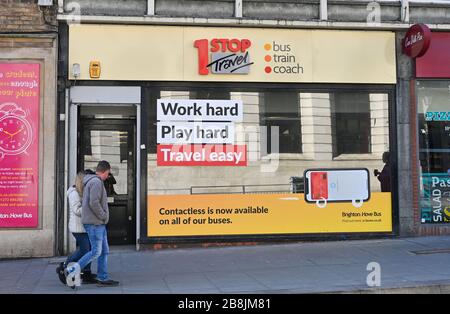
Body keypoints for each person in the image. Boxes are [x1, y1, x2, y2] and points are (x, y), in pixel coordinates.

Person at [64, 160, 120, 287]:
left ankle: (102, 277)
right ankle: (70, 270)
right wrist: (103, 216)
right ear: (106, 171)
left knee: (104, 251)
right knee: (95, 252)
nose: (108, 176)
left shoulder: (93, 181)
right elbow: (94, 203)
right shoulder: (96, 182)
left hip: (98, 223)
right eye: (108, 173)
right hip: (95, 223)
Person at [56, 171, 98, 285]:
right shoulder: (74, 193)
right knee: (85, 250)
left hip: (86, 226)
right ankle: (64, 267)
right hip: (78, 228)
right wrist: (90, 206)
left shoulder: (83, 191)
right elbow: (77, 210)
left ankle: (86, 273)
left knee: (89, 249)